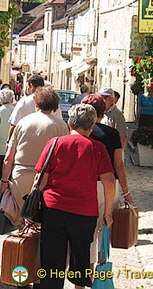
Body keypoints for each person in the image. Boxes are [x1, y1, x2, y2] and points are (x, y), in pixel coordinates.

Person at [34, 103, 116, 289]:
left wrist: (35, 205)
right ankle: (79, 286)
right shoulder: (98, 148)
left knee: (52, 257)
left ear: (69, 123)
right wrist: (108, 212)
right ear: (91, 126)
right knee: (81, 256)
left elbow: (41, 178)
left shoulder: (54, 143)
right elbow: (109, 182)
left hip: (53, 208)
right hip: (84, 211)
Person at [0, 86, 68, 228]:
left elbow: (9, 157)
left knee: (22, 221)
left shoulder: (23, 122)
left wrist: (4, 181)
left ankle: (22, 249)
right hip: (48, 178)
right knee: (42, 222)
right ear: (55, 106)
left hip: (21, 175)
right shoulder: (61, 126)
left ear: (36, 103)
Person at [82, 94, 133, 270]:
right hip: (108, 184)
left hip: (87, 184)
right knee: (104, 227)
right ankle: (101, 266)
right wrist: (126, 192)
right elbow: (119, 165)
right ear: (102, 112)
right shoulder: (112, 134)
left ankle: (86, 270)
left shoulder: (80, 133)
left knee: (87, 228)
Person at [7, 74, 63, 142]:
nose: (27, 89)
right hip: (48, 143)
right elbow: (60, 124)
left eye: (27, 87)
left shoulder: (24, 101)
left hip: (26, 142)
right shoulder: (53, 101)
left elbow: (14, 125)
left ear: (32, 86)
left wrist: (9, 142)